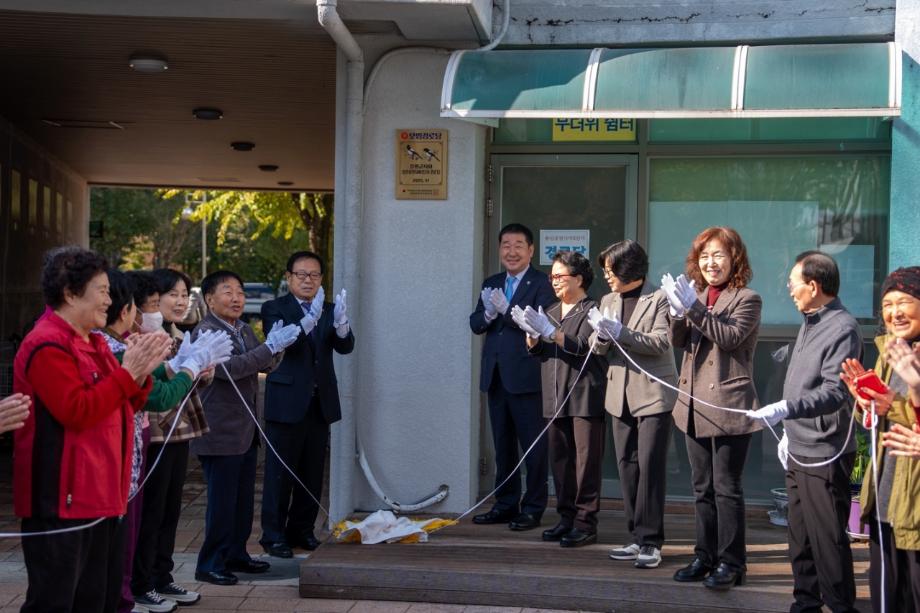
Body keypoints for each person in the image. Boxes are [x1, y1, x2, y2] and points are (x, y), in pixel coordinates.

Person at [13, 246, 170, 612]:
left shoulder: (95, 341)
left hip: (102, 495)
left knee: (97, 599)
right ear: (69, 293)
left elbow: (128, 402)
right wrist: (128, 372)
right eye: (101, 290)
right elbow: (77, 411)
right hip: (61, 501)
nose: (109, 300)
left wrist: (141, 369)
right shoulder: (46, 343)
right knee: (55, 602)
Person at [747, 251, 862, 613]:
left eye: (794, 282)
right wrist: (787, 433)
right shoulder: (810, 319)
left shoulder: (842, 326)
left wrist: (787, 409)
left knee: (827, 538)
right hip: (798, 445)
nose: (789, 289)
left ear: (813, 286)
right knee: (799, 537)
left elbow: (835, 391)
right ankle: (806, 602)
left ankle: (841, 606)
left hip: (824, 450)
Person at [662, 226, 762, 591]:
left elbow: (730, 337)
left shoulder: (747, 298)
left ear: (734, 257)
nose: (710, 263)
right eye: (704, 256)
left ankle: (733, 562)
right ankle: (705, 555)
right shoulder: (697, 295)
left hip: (728, 403)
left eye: (718, 255)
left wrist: (692, 307)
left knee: (726, 487)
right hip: (691, 404)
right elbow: (678, 341)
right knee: (701, 487)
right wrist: (676, 311)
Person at [191, 270, 301, 586]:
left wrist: (276, 347)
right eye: (228, 291)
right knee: (222, 503)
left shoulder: (241, 329)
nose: (237, 297)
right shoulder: (206, 332)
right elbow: (232, 369)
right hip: (220, 431)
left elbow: (264, 364)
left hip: (245, 431)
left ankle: (235, 554)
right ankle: (209, 562)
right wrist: (268, 348)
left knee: (241, 502)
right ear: (209, 299)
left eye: (240, 291)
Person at [259, 251, 355, 557]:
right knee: (280, 474)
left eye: (314, 275)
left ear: (322, 279)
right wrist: (307, 321)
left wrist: (341, 325)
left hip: (319, 402)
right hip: (286, 402)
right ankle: (273, 536)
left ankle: (302, 530)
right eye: (301, 274)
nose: (307, 280)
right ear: (288, 278)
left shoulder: (328, 308)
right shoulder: (274, 307)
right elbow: (286, 344)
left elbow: (344, 347)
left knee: (312, 473)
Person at [588, 240, 677, 569]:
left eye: (611, 271)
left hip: (653, 394)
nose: (607, 277)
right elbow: (595, 345)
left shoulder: (659, 298)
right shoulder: (608, 299)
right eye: (606, 271)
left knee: (651, 467)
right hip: (619, 394)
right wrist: (600, 336)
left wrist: (620, 332)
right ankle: (635, 536)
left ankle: (652, 541)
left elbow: (660, 342)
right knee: (626, 465)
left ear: (629, 270)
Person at [840, 266, 920, 613]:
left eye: (904, 301)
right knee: (885, 594)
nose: (894, 312)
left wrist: (903, 396)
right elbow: (880, 420)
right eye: (887, 304)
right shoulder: (891, 350)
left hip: (915, 503)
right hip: (886, 494)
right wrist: (867, 406)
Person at [132, 268, 214, 608]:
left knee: (169, 510)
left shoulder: (178, 335)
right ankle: (142, 582)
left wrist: (202, 372)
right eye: (171, 296)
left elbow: (185, 384)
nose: (180, 301)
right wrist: (185, 369)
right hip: (155, 434)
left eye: (185, 295)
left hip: (179, 432)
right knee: (151, 511)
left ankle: (162, 578)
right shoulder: (145, 337)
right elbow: (161, 390)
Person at [513, 251, 606, 547]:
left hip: (583, 396)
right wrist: (532, 338)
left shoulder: (593, 309)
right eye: (552, 276)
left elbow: (584, 348)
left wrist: (554, 335)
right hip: (554, 396)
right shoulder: (550, 311)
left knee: (585, 463)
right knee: (561, 461)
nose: (554, 282)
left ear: (578, 278)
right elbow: (541, 354)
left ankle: (585, 522)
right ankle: (565, 518)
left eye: (560, 276)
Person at [469, 223, 555, 531]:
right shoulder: (492, 282)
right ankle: (505, 504)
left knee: (533, 447)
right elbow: (476, 323)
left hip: (527, 377)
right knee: (502, 447)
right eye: (506, 244)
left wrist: (505, 312)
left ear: (531, 250)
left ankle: (532, 508)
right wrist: (489, 314)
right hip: (496, 377)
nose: (511, 251)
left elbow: (542, 326)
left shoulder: (543, 284)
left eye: (518, 245)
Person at [882, 337, 920, 457]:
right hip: (885, 462)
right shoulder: (889, 347)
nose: (896, 317)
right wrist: (866, 404)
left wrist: (892, 405)